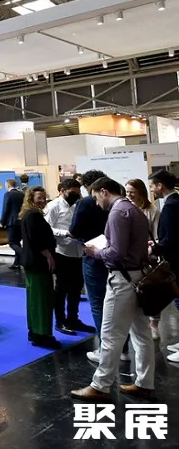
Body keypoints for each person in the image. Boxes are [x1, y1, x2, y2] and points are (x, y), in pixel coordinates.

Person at [71, 177, 154, 401]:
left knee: (110, 334)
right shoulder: (134, 210)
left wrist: (95, 252)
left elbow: (116, 253)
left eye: (95, 197)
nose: (97, 203)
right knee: (141, 334)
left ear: (104, 191)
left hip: (122, 279)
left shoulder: (117, 212)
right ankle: (145, 383)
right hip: (138, 276)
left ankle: (100, 386)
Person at [69, 169, 113, 363]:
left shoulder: (86, 202)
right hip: (116, 257)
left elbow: (74, 230)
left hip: (94, 255)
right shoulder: (118, 201)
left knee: (98, 304)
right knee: (116, 303)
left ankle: (105, 348)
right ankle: (122, 348)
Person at [44, 178, 94, 336]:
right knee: (61, 288)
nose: (76, 196)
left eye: (78, 193)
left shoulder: (77, 204)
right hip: (62, 251)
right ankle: (60, 321)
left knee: (76, 288)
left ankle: (73, 318)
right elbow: (47, 228)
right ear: (62, 191)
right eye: (72, 193)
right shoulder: (53, 206)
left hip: (79, 251)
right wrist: (65, 233)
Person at [20, 187, 60, 350]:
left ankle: (35, 332)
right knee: (41, 299)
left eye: (44, 197)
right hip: (38, 263)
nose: (43, 201)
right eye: (39, 198)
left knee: (35, 299)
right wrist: (49, 256)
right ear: (31, 199)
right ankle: (42, 335)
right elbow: (36, 240)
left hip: (33, 263)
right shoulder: (33, 215)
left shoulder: (29, 214)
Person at [126, 178, 162, 341]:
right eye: (127, 192)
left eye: (132, 192)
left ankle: (154, 325)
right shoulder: (124, 208)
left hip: (149, 257)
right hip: (131, 258)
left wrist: (151, 250)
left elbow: (156, 235)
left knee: (152, 292)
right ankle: (138, 326)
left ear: (141, 192)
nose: (129, 195)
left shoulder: (152, 210)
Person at [148, 170, 179, 358]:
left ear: (160, 185)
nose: (152, 190)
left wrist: (154, 249)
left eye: (152, 186)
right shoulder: (175, 202)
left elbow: (171, 238)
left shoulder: (170, 206)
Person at [0, 178, 24, 270]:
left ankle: (24, 255)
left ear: (8, 185)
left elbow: (5, 209)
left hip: (12, 222)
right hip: (21, 221)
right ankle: (17, 263)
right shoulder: (22, 194)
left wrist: (2, 222)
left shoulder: (8, 194)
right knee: (17, 242)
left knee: (12, 242)